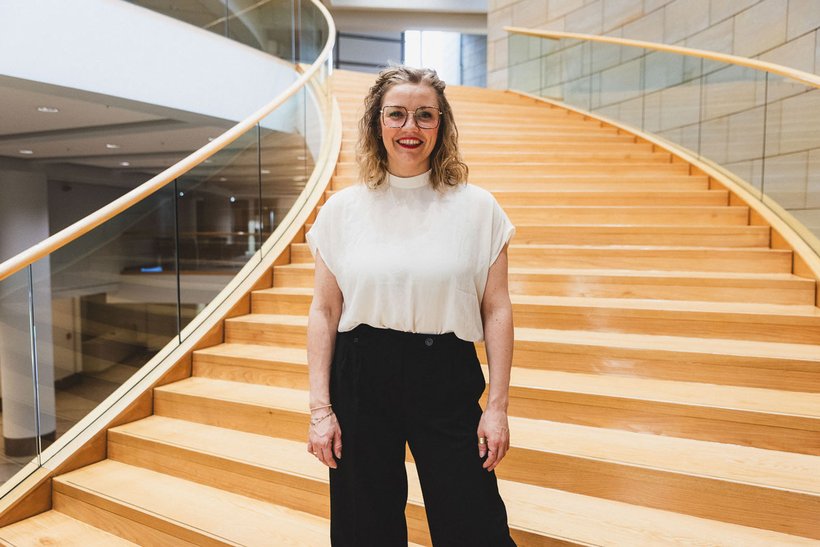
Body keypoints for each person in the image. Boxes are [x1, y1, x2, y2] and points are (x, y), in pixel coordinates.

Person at [305, 65, 517, 547]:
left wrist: (498, 408)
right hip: (360, 372)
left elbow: (498, 310)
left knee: (473, 520)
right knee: (365, 527)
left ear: (441, 125)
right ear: (377, 123)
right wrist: (321, 409)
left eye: (425, 116)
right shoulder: (342, 210)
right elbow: (323, 312)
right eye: (396, 114)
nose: (410, 128)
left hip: (445, 372)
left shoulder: (479, 208)